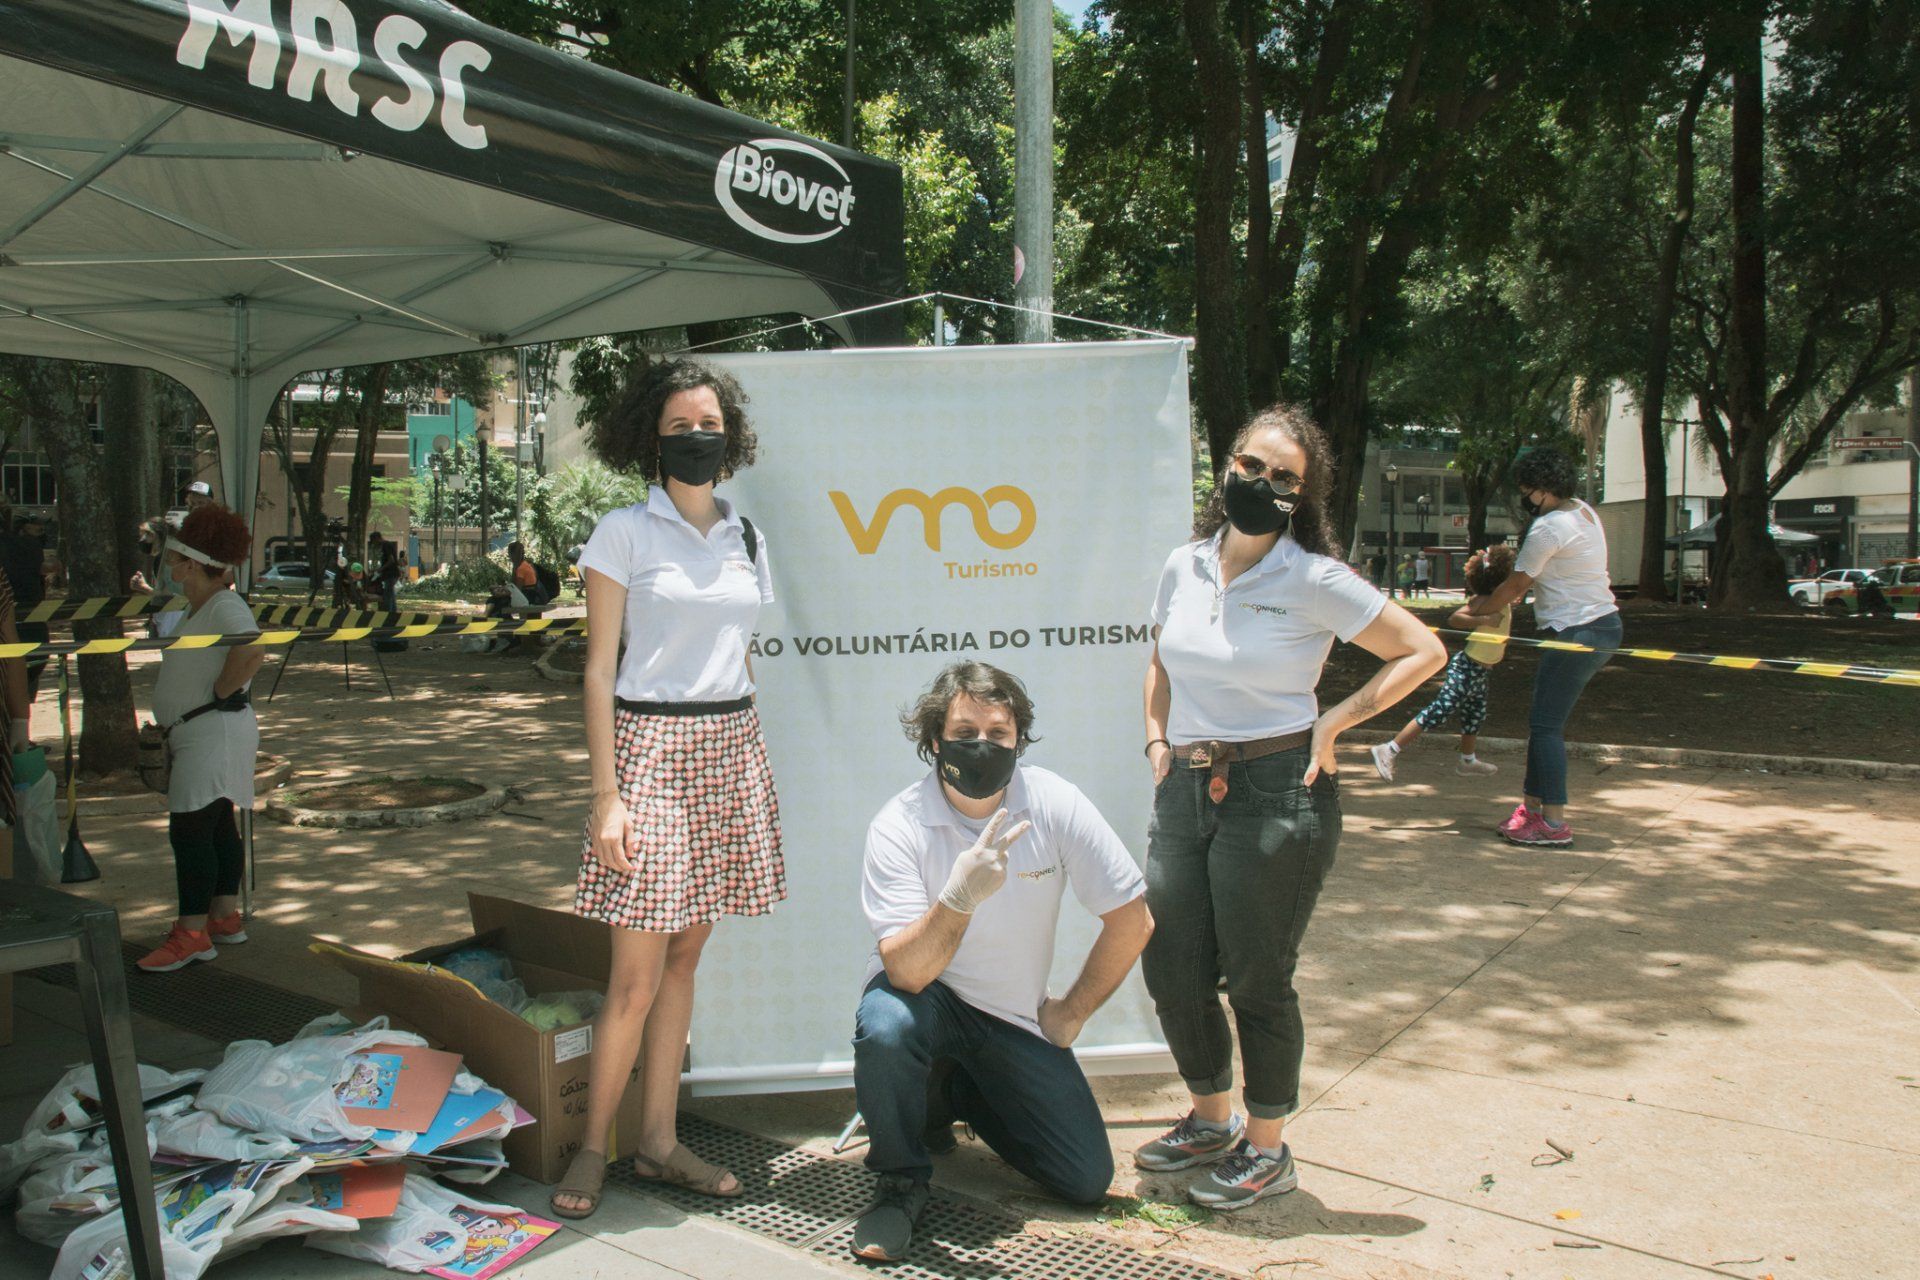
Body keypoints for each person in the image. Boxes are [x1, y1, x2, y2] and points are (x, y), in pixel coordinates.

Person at [1136, 405, 1445, 1209]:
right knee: (1172, 966)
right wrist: (1157, 741)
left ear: (1303, 495)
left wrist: (1334, 722)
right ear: (1227, 464)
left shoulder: (1313, 578)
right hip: (1185, 787)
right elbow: (1160, 658)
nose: (1261, 482)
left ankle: (1268, 1147)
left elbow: (1424, 650)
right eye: (1251, 465)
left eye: (1284, 477)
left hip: (1275, 792)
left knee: (1258, 979)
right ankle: (1211, 1120)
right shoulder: (1183, 564)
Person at [551, 358, 783, 1220]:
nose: (698, 438)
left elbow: (741, 652)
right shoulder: (623, 532)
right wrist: (606, 795)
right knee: (634, 978)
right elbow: (597, 668)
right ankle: (592, 1147)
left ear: (731, 435)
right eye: (681, 426)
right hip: (648, 750)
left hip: (730, 748)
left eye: (710, 425)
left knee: (685, 959)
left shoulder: (747, 535)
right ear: (650, 437)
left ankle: (656, 1140)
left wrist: (741, 754)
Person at [849, 662, 1153, 1263]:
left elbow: (1132, 920)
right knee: (886, 1024)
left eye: (998, 733)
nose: (982, 746)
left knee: (1084, 1179)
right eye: (964, 733)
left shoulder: (1053, 803)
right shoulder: (899, 824)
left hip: (1011, 1018)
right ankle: (898, 1182)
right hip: (930, 1000)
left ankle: (953, 1092)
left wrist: (1071, 1012)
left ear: (1019, 740)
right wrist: (960, 897)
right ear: (934, 740)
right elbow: (907, 972)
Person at [1465, 447, 1622, 848]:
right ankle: (1532, 809)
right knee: (1542, 723)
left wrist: (1479, 609)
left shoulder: (1548, 528)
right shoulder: (1582, 511)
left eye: (1527, 491)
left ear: (1544, 489)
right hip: (1599, 626)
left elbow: (1517, 584)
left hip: (1578, 631)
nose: (1525, 498)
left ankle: (1553, 823)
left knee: (1547, 727)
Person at [136, 505, 265, 973]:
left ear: (191, 564)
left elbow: (252, 650)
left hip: (213, 732)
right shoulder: (203, 607)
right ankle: (223, 916)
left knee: (190, 831)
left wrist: (220, 692)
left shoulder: (224, 605)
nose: (168, 565)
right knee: (216, 825)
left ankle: (191, 933)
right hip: (206, 732)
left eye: (173, 558)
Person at [1371, 545, 1517, 781]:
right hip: (1468, 667)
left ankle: (1467, 761)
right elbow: (1455, 619)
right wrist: (1485, 619)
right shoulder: (1485, 601)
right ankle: (1389, 749)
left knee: (1474, 715)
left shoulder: (1502, 598)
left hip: (1481, 671)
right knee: (1440, 710)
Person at [1, 510, 50, 699]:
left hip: (26, 627)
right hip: (31, 629)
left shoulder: (24, 548)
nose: (41, 534)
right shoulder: (30, 548)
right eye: (36, 530)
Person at [507, 541, 549, 607]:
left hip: (531, 598)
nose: (509, 556)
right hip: (536, 596)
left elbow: (517, 590)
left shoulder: (521, 568)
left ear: (513, 554)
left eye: (509, 554)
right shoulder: (526, 564)